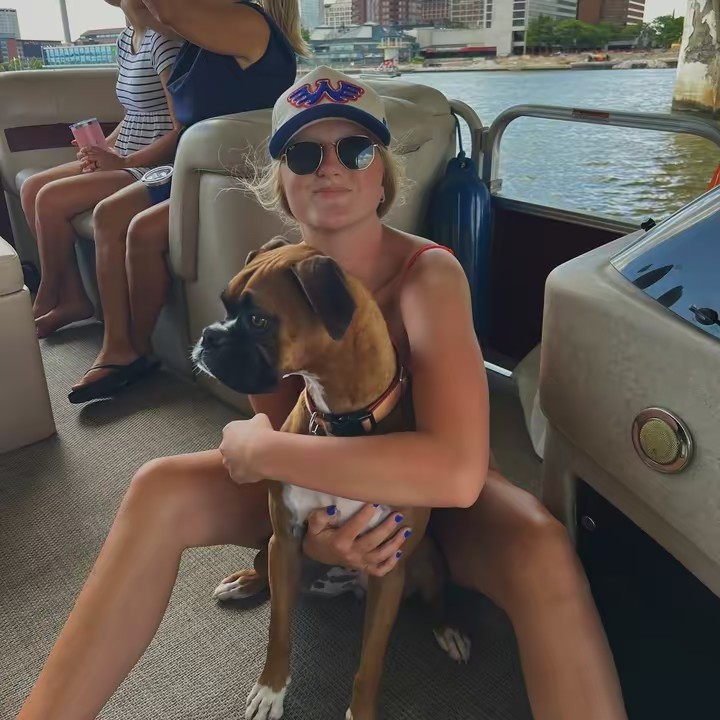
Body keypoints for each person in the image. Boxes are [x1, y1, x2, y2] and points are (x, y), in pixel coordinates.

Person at [16, 68, 628, 720]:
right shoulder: (270, 278)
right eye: (304, 154)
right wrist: (313, 536)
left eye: (356, 150)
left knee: (542, 548)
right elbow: (282, 422)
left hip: (444, 504)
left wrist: (263, 453)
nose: (329, 166)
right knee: (156, 486)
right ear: (281, 181)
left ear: (383, 176)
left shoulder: (428, 275)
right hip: (320, 478)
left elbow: (455, 473)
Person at [67, 0, 306, 404]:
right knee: (109, 214)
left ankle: (134, 350)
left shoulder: (247, 23)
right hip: (193, 170)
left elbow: (166, 12)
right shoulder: (199, 37)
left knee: (142, 229)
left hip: (232, 180)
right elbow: (144, 13)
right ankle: (119, 345)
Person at [20, 0, 183, 340]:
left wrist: (122, 162)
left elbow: (179, 127)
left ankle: (47, 294)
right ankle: (73, 298)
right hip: (123, 154)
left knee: (49, 198)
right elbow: (134, 112)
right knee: (31, 187)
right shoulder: (126, 39)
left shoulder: (164, 42)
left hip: (150, 165)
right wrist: (103, 147)